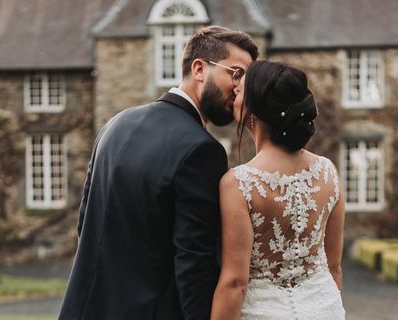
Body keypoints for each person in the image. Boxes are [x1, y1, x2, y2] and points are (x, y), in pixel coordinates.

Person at [59, 26, 259, 320]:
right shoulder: (202, 150)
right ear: (200, 69)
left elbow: (86, 224)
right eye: (236, 73)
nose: (241, 89)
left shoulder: (114, 125)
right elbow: (195, 264)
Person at [211, 60, 346, 320]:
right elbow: (334, 266)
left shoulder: (239, 183)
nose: (235, 90)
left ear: (254, 111)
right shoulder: (328, 172)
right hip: (324, 309)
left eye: (241, 89)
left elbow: (235, 284)